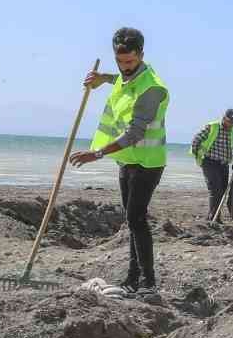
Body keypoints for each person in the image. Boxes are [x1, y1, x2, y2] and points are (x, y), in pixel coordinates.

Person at [69, 27, 170, 293]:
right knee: (131, 218)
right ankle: (133, 278)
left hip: (148, 162)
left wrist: (97, 153)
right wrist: (103, 78)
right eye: (120, 61)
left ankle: (148, 282)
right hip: (127, 161)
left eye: (130, 62)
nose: (125, 67)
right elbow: (123, 81)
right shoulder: (128, 77)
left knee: (137, 218)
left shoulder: (153, 88)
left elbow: (135, 133)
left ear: (142, 55)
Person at [191, 108, 233, 219]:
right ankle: (213, 217)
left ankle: (215, 216)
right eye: (230, 121)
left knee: (223, 191)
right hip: (209, 162)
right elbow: (196, 139)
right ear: (224, 118)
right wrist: (198, 155)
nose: (232, 124)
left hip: (224, 164)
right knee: (215, 190)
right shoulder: (212, 127)